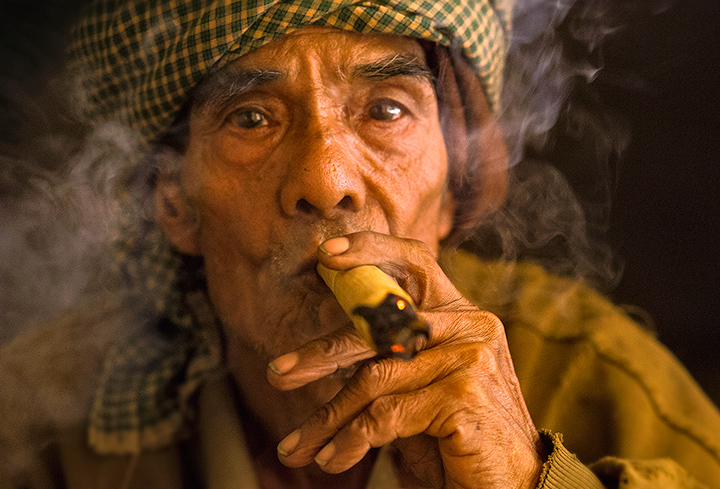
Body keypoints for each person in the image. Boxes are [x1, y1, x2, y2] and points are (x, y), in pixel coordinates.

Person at [1, 0, 719, 488]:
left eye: (385, 109)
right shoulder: (37, 420)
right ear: (175, 203)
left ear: (453, 185)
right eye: (252, 118)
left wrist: (529, 478)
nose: (327, 180)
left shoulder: (602, 382)